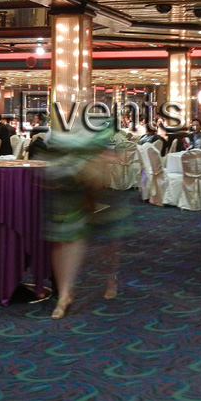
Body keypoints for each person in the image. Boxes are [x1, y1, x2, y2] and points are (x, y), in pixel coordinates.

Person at [42, 127, 126, 319]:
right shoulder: (59, 127)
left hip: (99, 190)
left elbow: (115, 153)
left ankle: (110, 277)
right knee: (64, 239)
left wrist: (97, 161)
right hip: (68, 189)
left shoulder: (103, 126)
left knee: (109, 240)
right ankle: (64, 294)